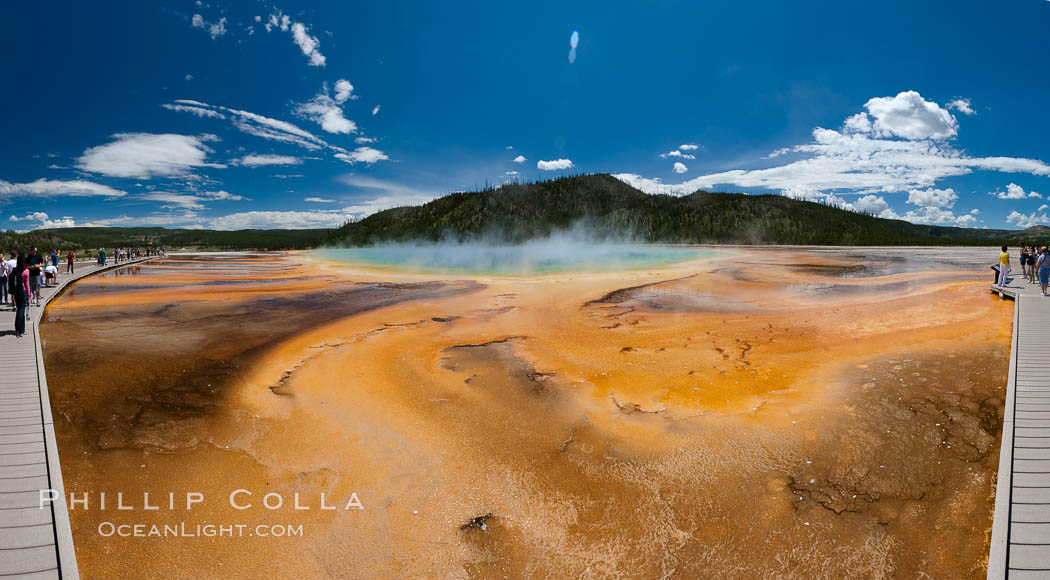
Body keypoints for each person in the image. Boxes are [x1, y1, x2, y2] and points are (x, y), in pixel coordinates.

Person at [10, 254, 28, 337]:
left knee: (18, 309)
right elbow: (27, 284)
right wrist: (29, 295)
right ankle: (21, 331)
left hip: (16, 292)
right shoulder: (26, 271)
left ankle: (18, 329)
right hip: (23, 292)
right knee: (21, 310)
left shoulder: (16, 270)